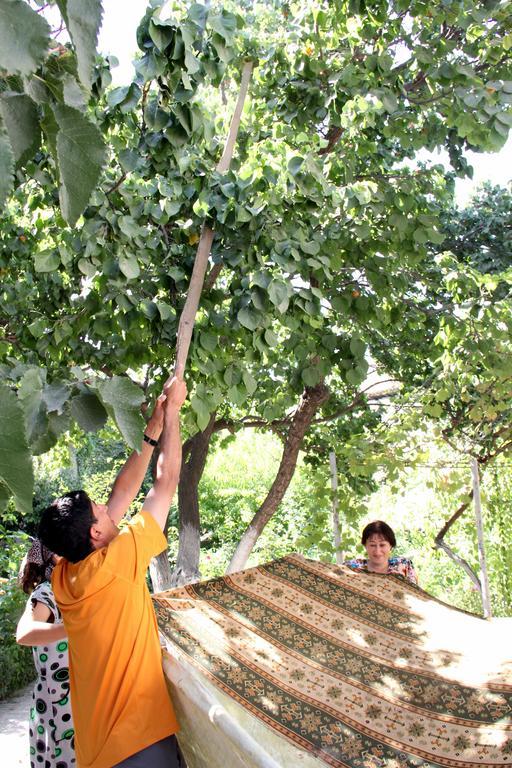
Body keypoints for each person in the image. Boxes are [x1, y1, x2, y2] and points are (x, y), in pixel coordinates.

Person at [38, 376, 187, 768]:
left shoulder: (65, 576)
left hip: (95, 751)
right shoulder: (117, 562)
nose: (108, 508)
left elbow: (122, 492)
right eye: (100, 511)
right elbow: (165, 481)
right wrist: (173, 414)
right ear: (95, 532)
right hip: (138, 744)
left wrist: (150, 433)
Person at [17, 539, 76, 768]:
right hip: (58, 701)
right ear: (56, 557)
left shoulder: (68, 590)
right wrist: (74, 628)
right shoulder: (47, 591)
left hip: (70, 697)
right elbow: (25, 633)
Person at [344, 520, 418, 584]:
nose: (377, 551)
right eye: (372, 545)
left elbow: (414, 595)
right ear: (365, 546)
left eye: (382, 545)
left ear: (391, 545)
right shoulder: (351, 567)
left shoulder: (404, 566)